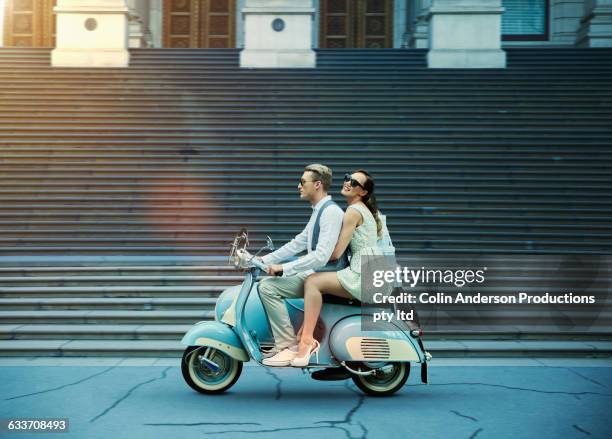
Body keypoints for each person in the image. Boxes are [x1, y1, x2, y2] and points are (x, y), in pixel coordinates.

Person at [291, 170, 383, 367]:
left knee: (313, 282)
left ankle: (305, 340)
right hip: (369, 271)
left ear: (363, 192)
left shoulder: (353, 211)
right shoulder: (360, 209)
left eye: (355, 182)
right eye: (347, 178)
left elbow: (335, 253)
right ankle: (315, 339)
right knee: (319, 282)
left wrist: (308, 259)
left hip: (363, 274)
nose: (348, 182)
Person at [258, 164, 344, 366]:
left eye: (302, 182)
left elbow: (321, 256)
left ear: (317, 185)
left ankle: (288, 346)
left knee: (268, 287)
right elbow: (298, 242)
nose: (299, 186)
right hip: (316, 273)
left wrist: (284, 268)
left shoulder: (331, 213)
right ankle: (287, 343)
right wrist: (265, 259)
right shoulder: (319, 210)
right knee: (268, 284)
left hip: (327, 276)